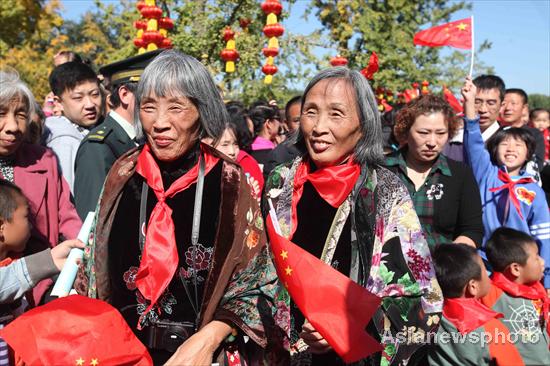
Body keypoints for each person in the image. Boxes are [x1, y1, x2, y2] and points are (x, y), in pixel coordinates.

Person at [74, 50, 285, 365]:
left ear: (202, 112)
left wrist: (208, 338)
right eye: (148, 107)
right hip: (122, 352)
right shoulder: (122, 173)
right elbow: (94, 270)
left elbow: (258, 281)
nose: (160, 123)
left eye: (176, 107)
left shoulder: (227, 180)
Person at [263, 67, 442, 365]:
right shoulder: (281, 182)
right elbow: (260, 269)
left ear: (363, 125)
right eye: (311, 112)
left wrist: (343, 322)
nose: (319, 127)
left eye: (336, 114)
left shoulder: (384, 190)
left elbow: (422, 296)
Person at [0, 70, 82, 303]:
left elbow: (66, 214)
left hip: (45, 280)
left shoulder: (43, 159)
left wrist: (80, 251)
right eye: (1, 114)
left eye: (21, 115)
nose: (13, 126)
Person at [462, 77, 550, 288]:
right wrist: (469, 103)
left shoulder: (533, 190)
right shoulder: (486, 172)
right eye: (505, 144)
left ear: (529, 153)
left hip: (520, 270)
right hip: (484, 265)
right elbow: (473, 140)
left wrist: (547, 281)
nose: (511, 149)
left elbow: (543, 237)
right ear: (494, 149)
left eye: (518, 145)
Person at [386, 94, 483, 249]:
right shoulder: (382, 169)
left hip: (441, 269)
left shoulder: (460, 174)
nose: (432, 142)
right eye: (423, 133)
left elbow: (472, 230)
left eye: (440, 133)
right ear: (406, 131)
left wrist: (450, 259)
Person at [73, 50, 161, 219]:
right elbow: (93, 219)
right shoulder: (98, 147)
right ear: (125, 95)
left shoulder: (141, 139)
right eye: (153, 96)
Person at [428, 243, 523, 366]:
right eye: (485, 271)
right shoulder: (491, 329)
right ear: (473, 286)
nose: (488, 277)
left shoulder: (429, 317)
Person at [481, 228, 550, 365]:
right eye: (536, 257)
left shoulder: (537, 289)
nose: (543, 262)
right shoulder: (491, 292)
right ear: (516, 268)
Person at [43, 61, 103, 192]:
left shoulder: (92, 129)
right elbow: (68, 197)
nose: (90, 104)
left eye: (95, 94)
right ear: (58, 103)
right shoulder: (64, 142)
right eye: (78, 98)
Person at [443, 75, 505, 162]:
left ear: (502, 106)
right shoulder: (451, 138)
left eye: (490, 103)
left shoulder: (506, 142)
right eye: (476, 102)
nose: (483, 109)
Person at [202, 123, 264, 199]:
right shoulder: (198, 175)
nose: (232, 152)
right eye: (225, 145)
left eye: (235, 144)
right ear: (207, 145)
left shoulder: (244, 165)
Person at [501, 88, 545, 174]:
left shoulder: (534, 134)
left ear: (524, 108)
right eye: (503, 104)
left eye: (513, 103)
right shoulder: (494, 131)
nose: (508, 108)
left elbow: (538, 164)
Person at [264, 96, 303, 176]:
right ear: (287, 124)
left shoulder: (324, 149)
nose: (303, 125)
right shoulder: (278, 157)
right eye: (297, 121)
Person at [248, 104, 282, 171]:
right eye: (278, 119)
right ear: (268, 123)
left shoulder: (247, 149)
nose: (279, 123)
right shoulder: (275, 154)